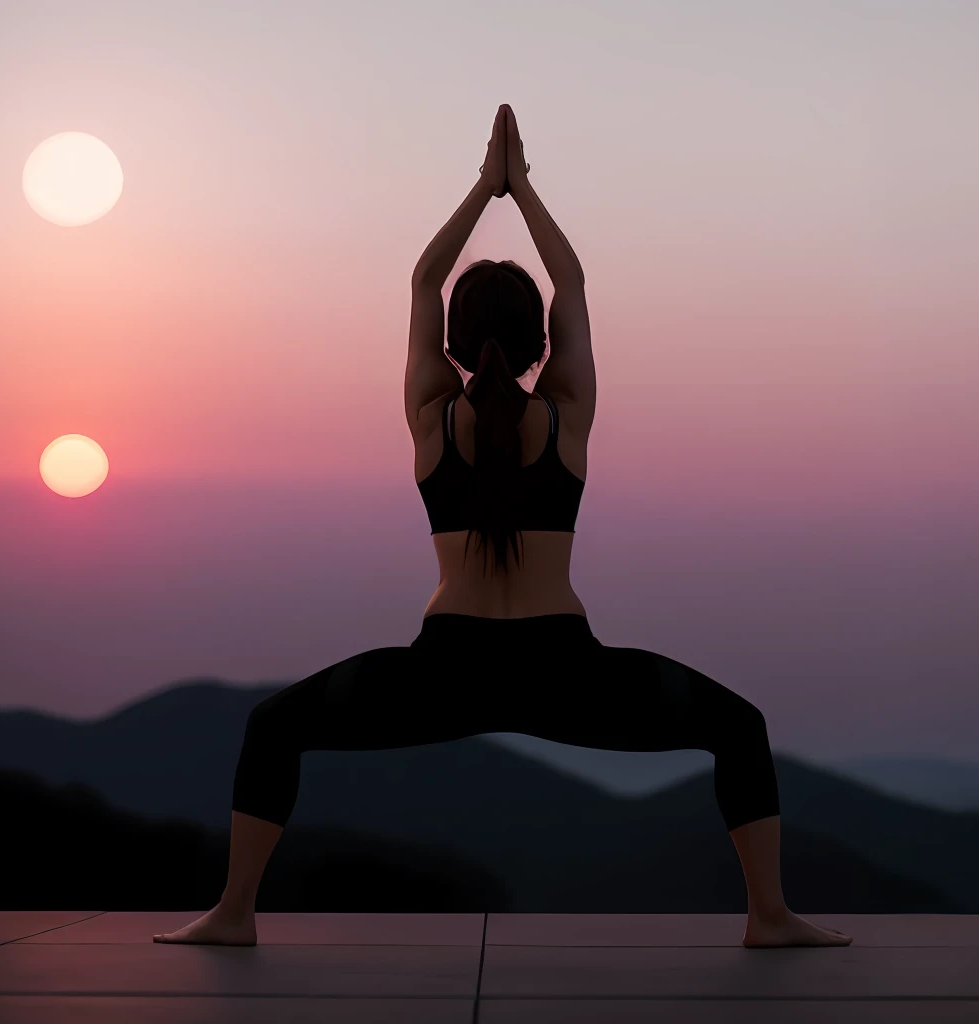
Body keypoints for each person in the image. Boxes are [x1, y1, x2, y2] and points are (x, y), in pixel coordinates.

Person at [155, 105, 851, 949]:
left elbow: (419, 282)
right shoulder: (563, 418)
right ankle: (768, 917)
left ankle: (233, 914)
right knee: (737, 727)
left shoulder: (429, 418)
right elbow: (577, 288)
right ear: (537, 347)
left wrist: (484, 188)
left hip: (445, 665)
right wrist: (523, 192)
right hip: (566, 667)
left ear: (453, 343)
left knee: (274, 727)